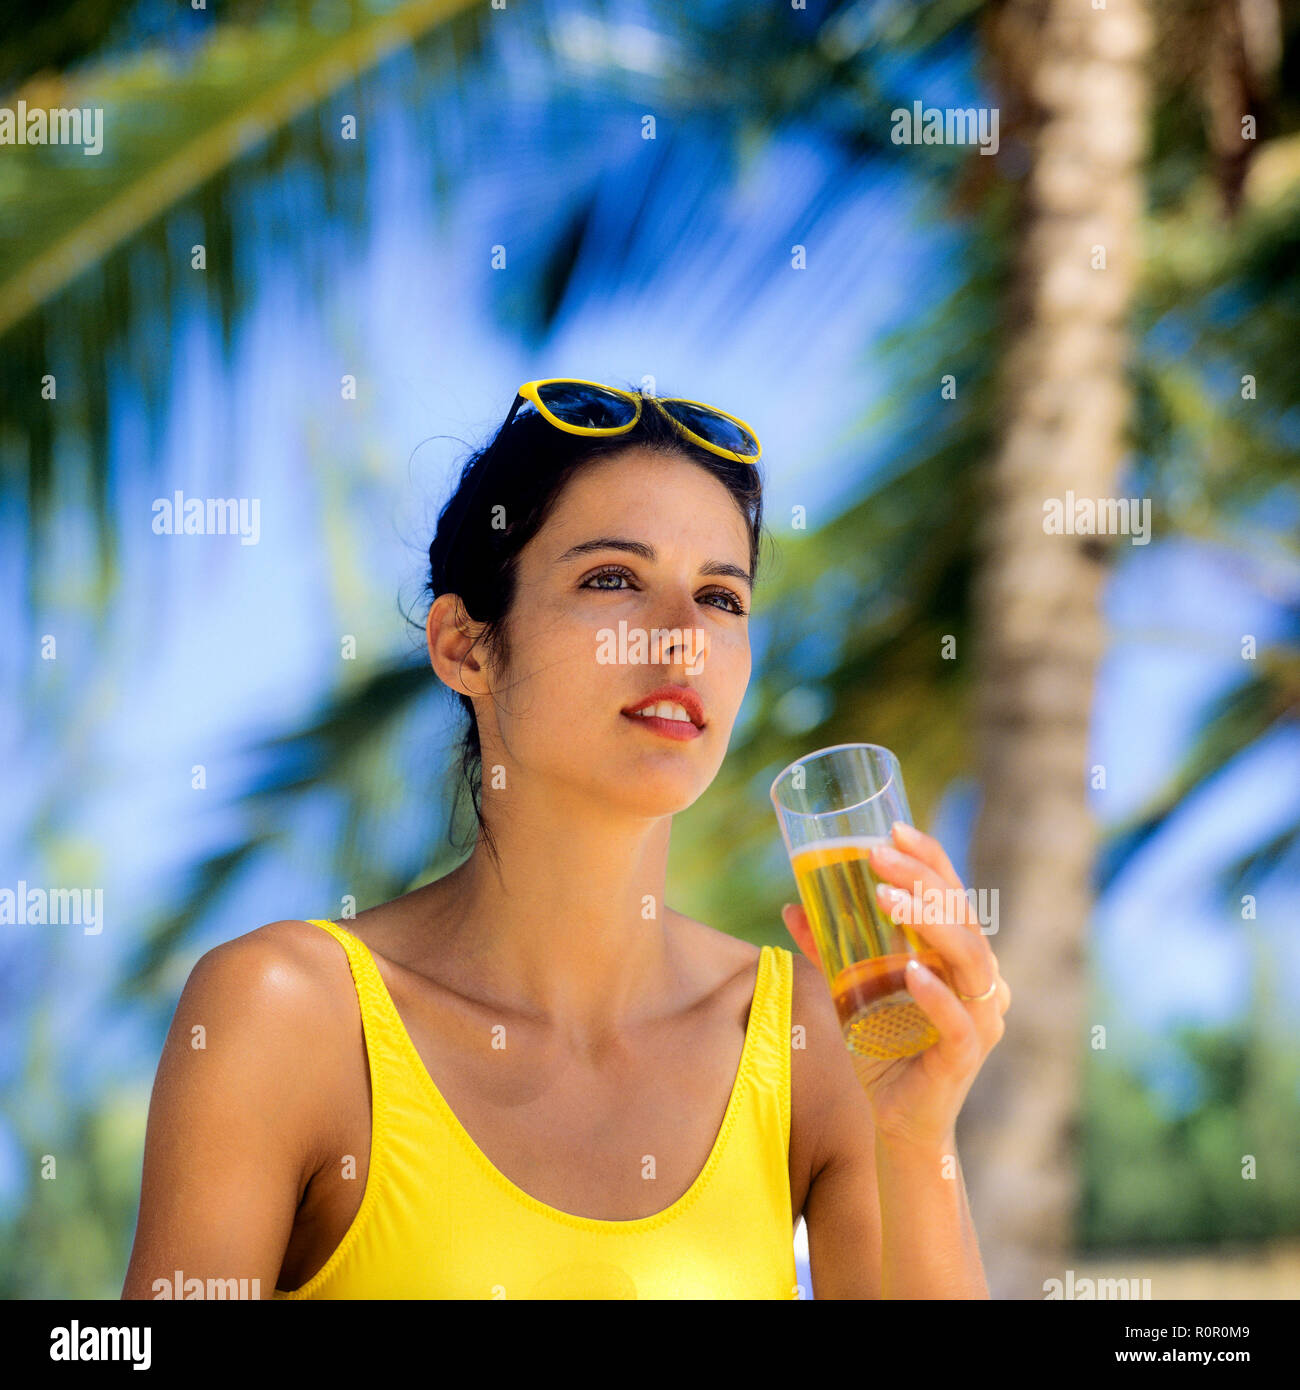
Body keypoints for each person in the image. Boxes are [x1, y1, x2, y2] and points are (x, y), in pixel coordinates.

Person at [121, 378, 1009, 1300]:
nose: (681, 640)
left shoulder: (815, 1041)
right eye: (613, 579)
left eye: (721, 597)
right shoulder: (290, 1017)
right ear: (466, 647)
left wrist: (916, 1139)